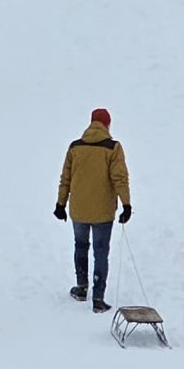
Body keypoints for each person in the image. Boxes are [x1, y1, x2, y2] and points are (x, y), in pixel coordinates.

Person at [55, 108, 133, 312]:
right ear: (107, 125)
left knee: (80, 246)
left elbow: (66, 178)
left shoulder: (75, 147)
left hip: (79, 209)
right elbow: (120, 178)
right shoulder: (113, 148)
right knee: (100, 252)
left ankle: (81, 287)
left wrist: (60, 204)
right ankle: (98, 298)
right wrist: (126, 204)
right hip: (102, 211)